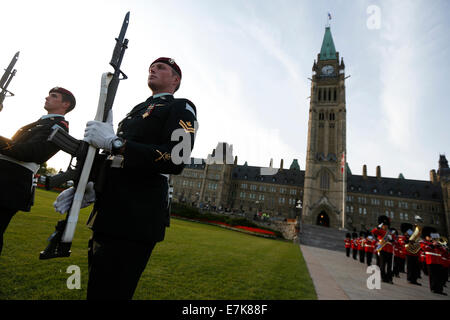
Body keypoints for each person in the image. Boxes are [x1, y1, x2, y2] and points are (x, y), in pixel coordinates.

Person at [55, 57, 197, 300]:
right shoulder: (137, 111)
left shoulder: (181, 107)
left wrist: (116, 142)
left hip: (137, 215)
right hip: (108, 209)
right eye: (151, 67)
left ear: (176, 80)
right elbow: (116, 161)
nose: (153, 69)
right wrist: (90, 186)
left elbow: (175, 158)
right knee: (96, 290)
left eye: (162, 67)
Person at [0, 87, 75, 256]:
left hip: (11, 184)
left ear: (65, 104)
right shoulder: (41, 122)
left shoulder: (59, 126)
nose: (47, 97)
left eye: (53, 96)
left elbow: (31, 152)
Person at [371, 216, 394, 284]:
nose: (385, 226)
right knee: (383, 265)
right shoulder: (380, 231)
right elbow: (373, 231)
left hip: (390, 250)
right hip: (382, 249)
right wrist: (379, 226)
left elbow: (394, 241)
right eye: (384, 225)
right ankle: (384, 278)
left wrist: (392, 240)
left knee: (390, 266)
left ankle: (389, 278)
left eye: (386, 225)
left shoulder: (390, 233)